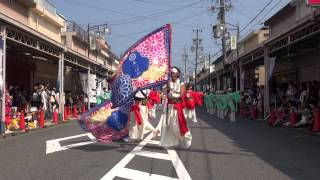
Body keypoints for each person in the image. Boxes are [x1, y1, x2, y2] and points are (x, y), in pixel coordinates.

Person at [158, 67, 192, 149]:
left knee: (177, 126)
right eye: (172, 73)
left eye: (174, 73)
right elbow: (164, 93)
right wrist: (166, 89)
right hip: (169, 107)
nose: (173, 74)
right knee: (167, 125)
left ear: (178, 74)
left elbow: (181, 95)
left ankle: (186, 139)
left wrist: (172, 93)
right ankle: (170, 142)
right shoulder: (168, 83)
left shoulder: (181, 83)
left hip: (177, 107)